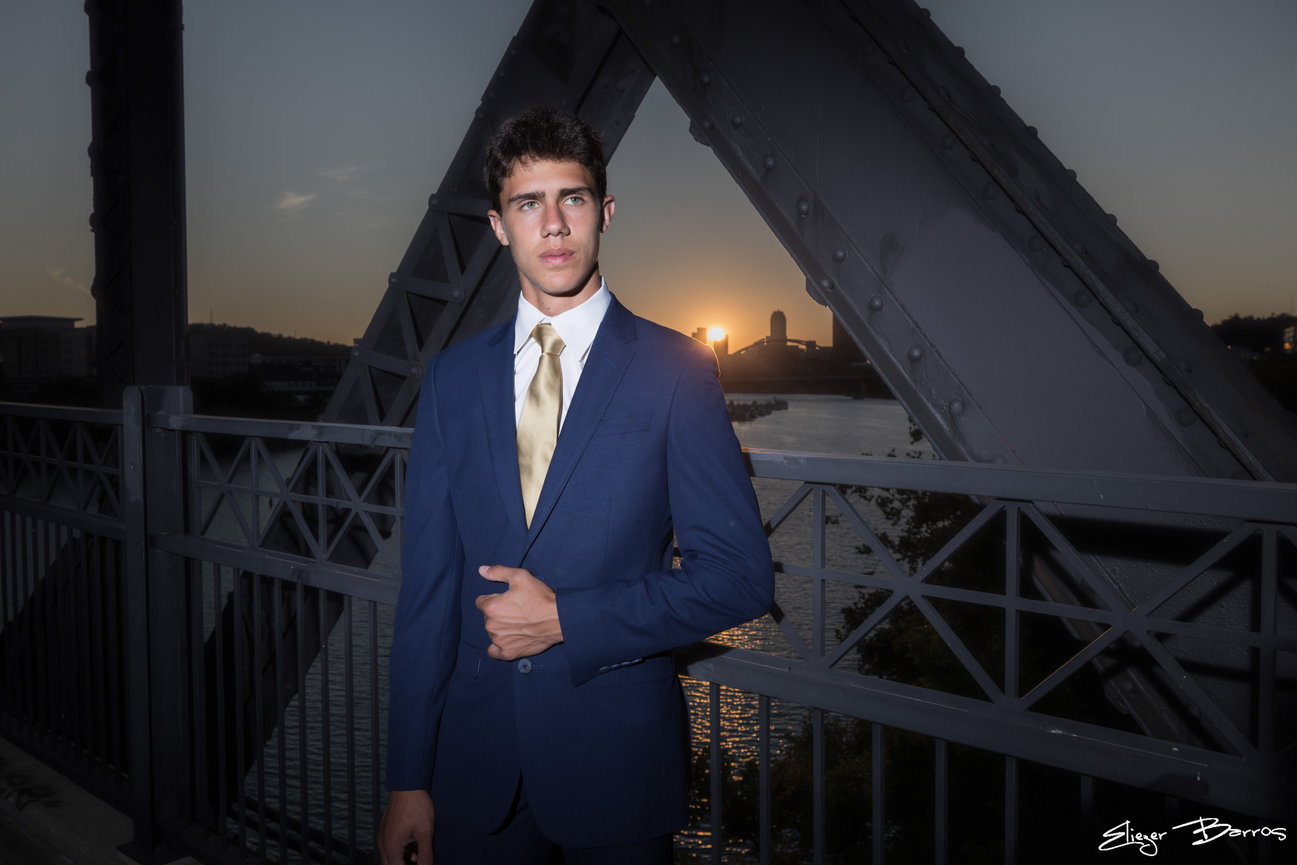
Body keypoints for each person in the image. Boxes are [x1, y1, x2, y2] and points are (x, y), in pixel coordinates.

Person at [378, 106, 774, 865]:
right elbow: (426, 594)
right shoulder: (453, 379)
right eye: (528, 203)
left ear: (605, 212)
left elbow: (739, 579)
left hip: (615, 765)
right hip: (474, 769)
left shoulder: (676, 370)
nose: (554, 224)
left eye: (573, 198)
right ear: (499, 226)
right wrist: (408, 778)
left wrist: (567, 620)